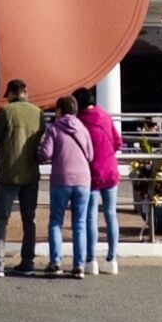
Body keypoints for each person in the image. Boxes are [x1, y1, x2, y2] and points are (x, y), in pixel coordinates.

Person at [0, 79, 43, 277]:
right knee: (29, 220)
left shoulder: (6, 112)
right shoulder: (38, 113)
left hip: (8, 172)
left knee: (1, 219)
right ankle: (28, 262)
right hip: (31, 173)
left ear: (10, 93)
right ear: (26, 91)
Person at [38, 95, 96, 278]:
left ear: (60, 110)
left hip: (61, 180)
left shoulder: (54, 129)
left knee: (56, 221)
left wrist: (36, 153)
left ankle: (56, 262)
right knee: (79, 224)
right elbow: (91, 155)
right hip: (83, 180)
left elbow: (45, 154)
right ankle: (79, 266)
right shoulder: (83, 129)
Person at [76, 88, 124, 276]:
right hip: (110, 170)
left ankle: (91, 259)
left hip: (91, 173)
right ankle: (112, 259)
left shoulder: (80, 120)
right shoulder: (105, 116)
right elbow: (118, 142)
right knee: (111, 214)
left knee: (90, 217)